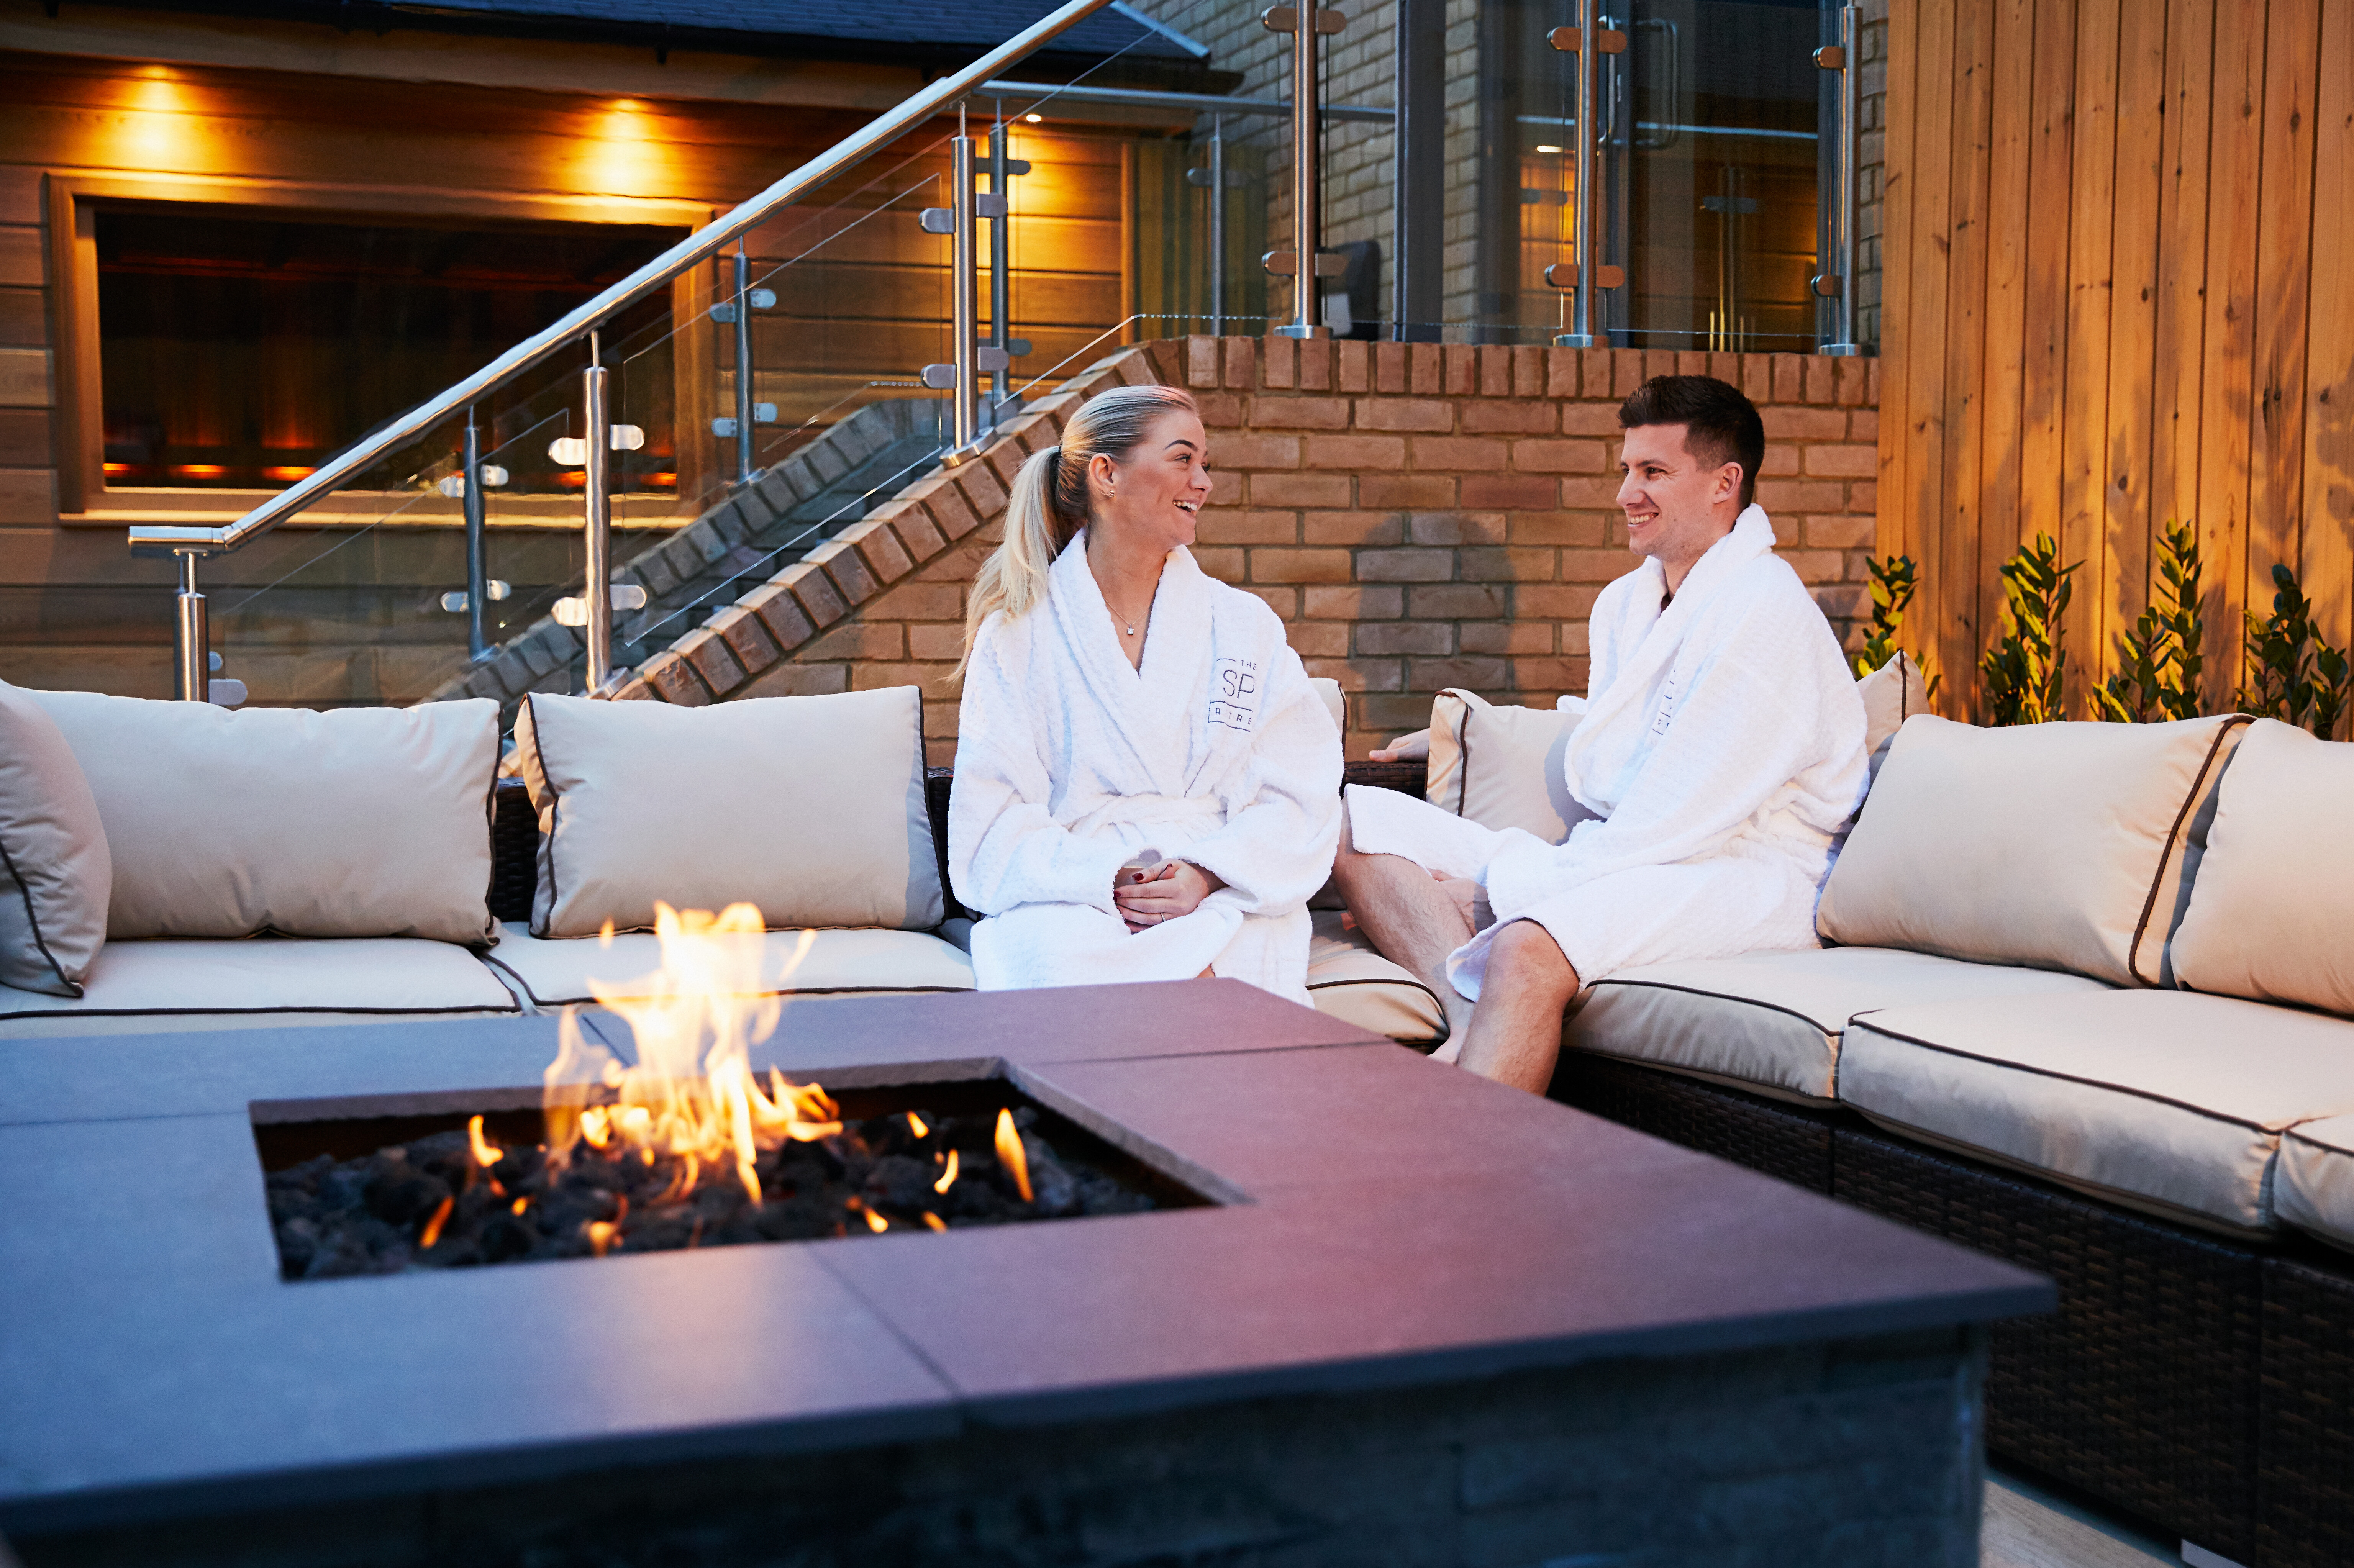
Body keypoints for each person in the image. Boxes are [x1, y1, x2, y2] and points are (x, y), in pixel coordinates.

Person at [1334, 375, 1867, 1091]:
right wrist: (1453, 743)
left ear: (1723, 484)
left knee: (1528, 946)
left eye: (1653, 472)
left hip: (1746, 870)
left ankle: (1468, 1183)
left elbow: (1681, 815)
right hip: (1635, 852)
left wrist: (1498, 890)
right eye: (1627, 470)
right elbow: (1613, 738)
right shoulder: (1627, 601)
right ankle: (1472, 1016)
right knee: (1353, 822)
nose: (1626, 494)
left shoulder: (1766, 613)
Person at [948, 384, 1343, 1004]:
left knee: (1228, 955)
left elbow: (1300, 790)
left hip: (1222, 884)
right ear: (1107, 474)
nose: (1204, 482)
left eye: (1205, 463)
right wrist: (1109, 877)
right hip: (1081, 891)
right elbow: (993, 815)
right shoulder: (1020, 633)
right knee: (1053, 955)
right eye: (1184, 459)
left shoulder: (1245, 626)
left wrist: (1207, 872)